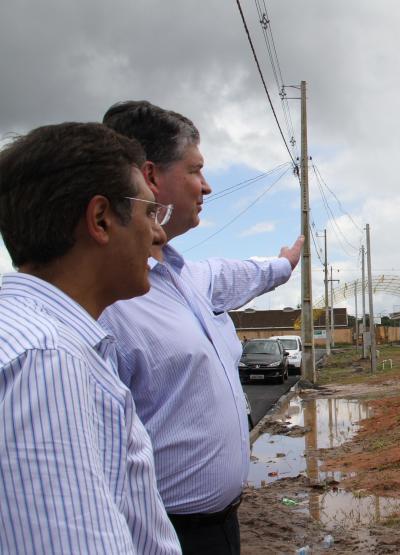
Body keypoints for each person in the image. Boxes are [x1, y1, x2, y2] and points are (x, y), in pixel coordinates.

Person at [98, 100, 304, 555]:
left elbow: (241, 272)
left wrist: (283, 265)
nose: (207, 186)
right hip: (164, 535)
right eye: (196, 170)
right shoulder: (106, 301)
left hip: (222, 526)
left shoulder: (185, 276)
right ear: (149, 177)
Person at [0, 122, 180, 553]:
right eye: (150, 212)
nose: (159, 234)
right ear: (100, 219)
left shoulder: (34, 336)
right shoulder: (47, 361)